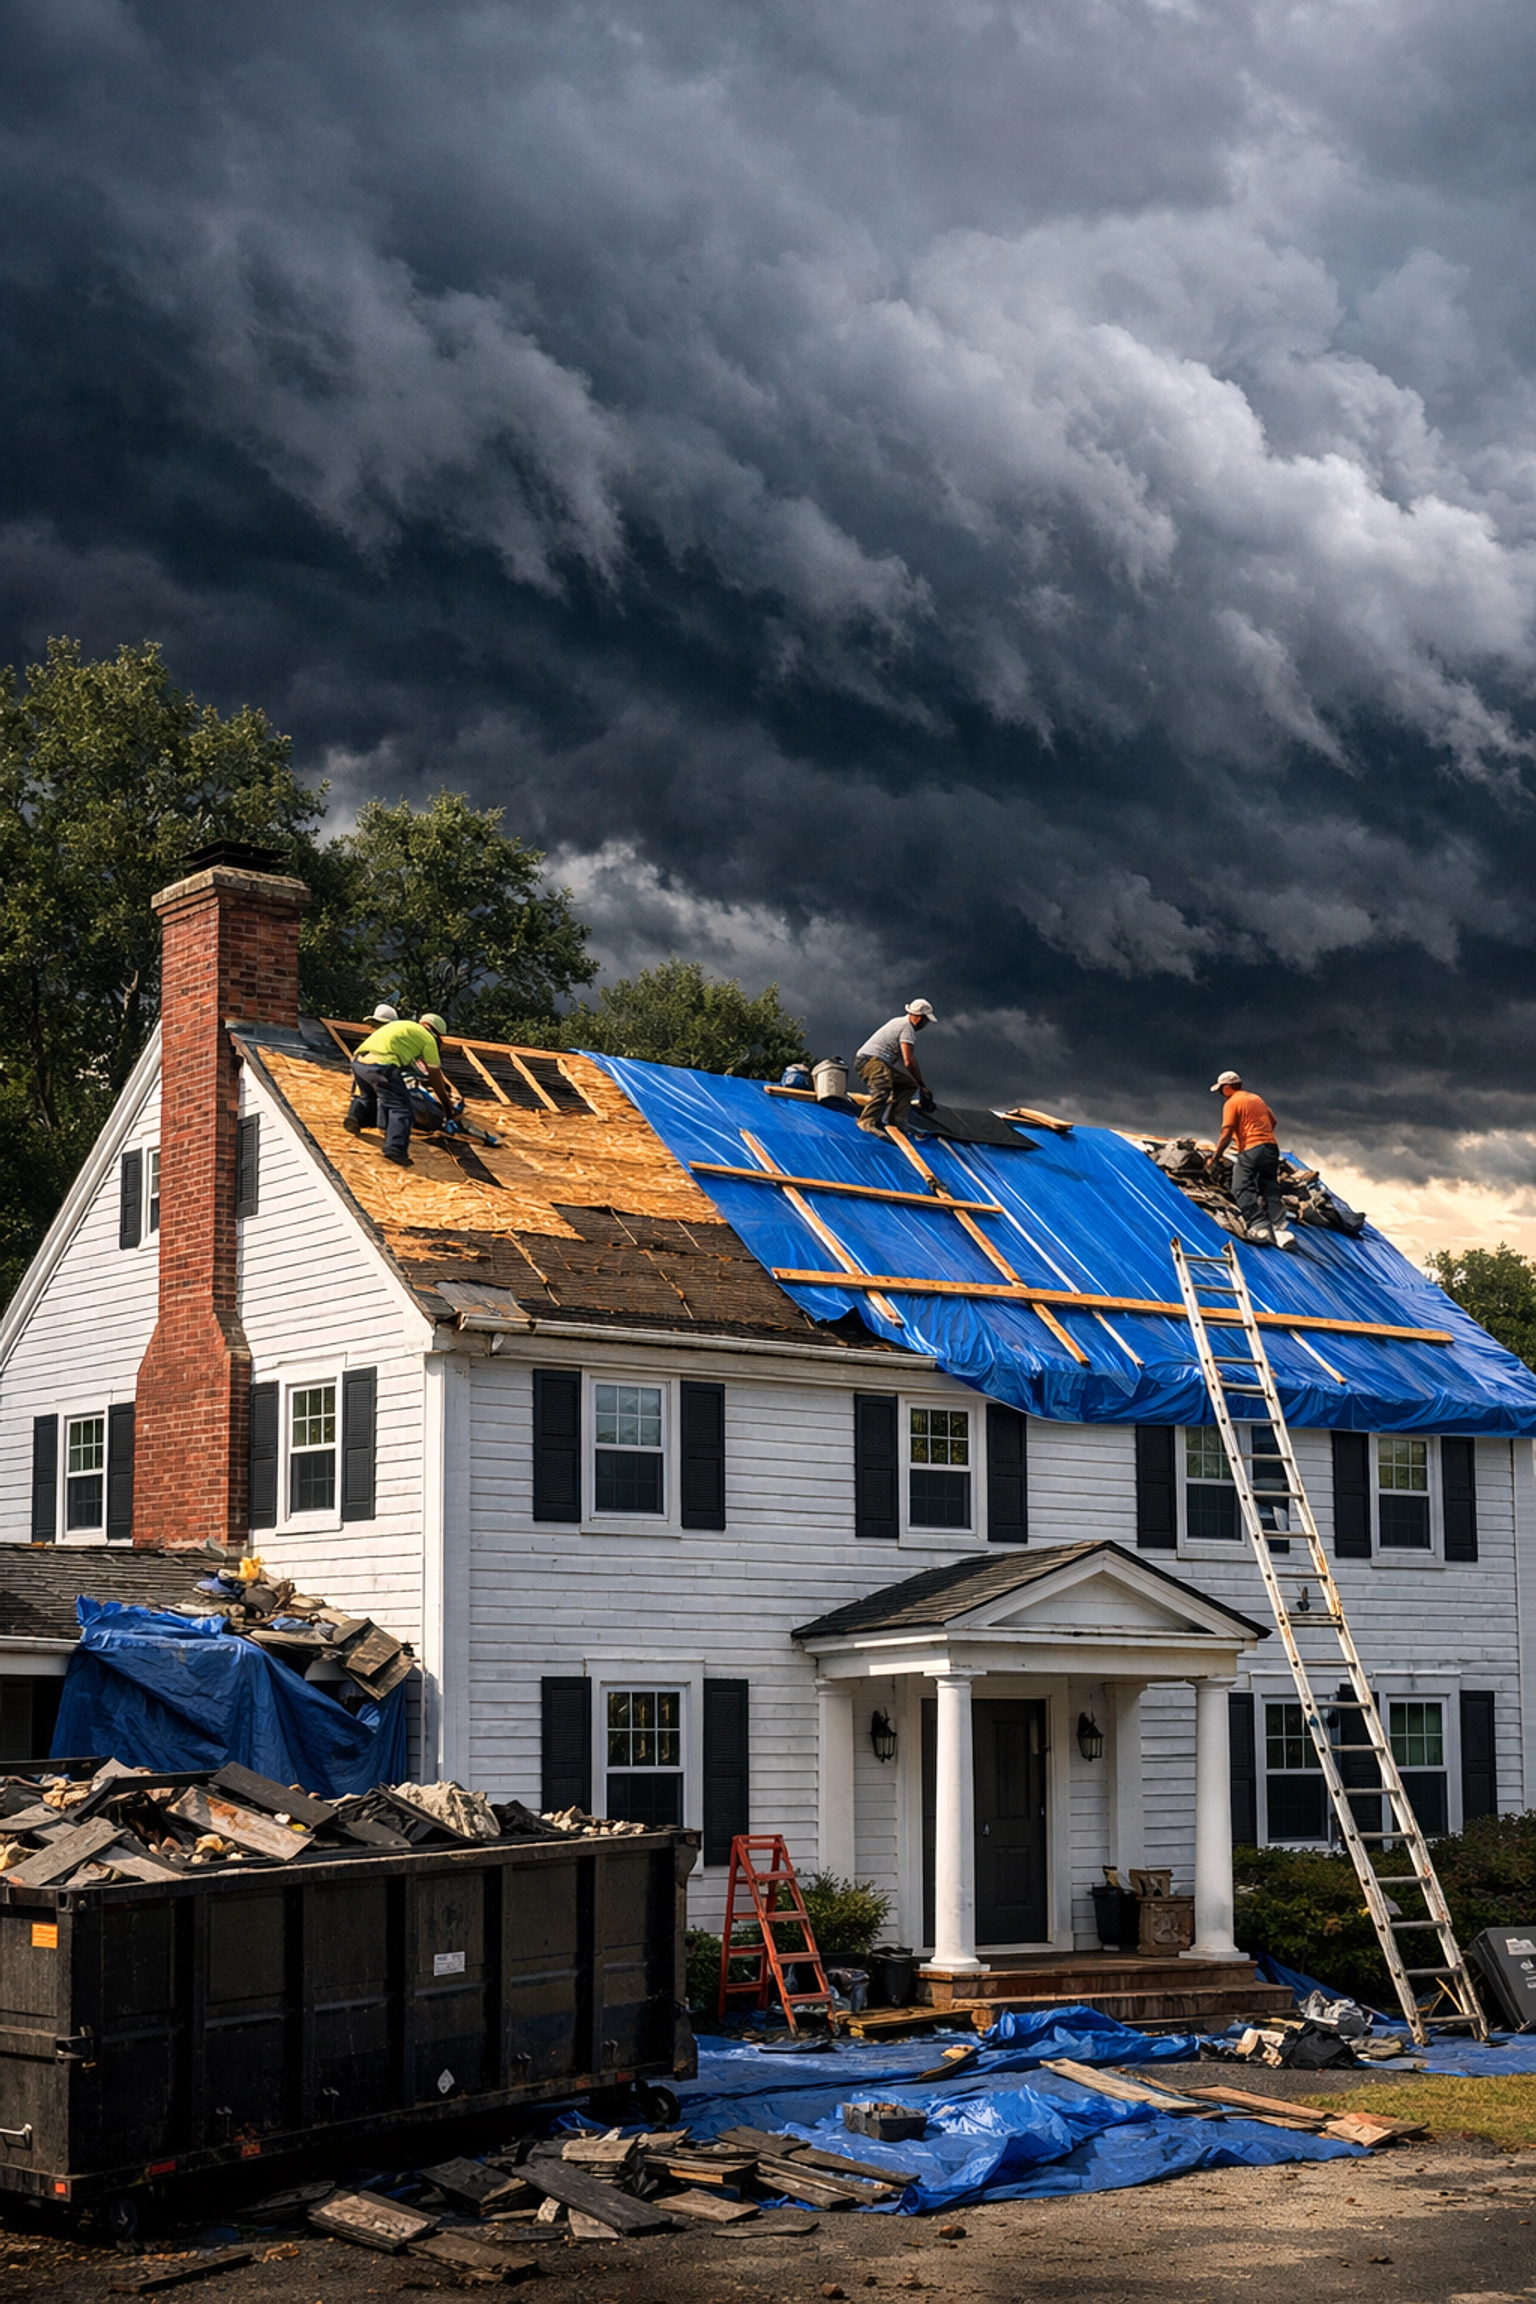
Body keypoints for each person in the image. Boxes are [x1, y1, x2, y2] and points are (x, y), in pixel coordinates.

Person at [344, 1012, 455, 1167]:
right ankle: (395, 1150)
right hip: (381, 1066)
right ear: (437, 1034)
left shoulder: (402, 1027)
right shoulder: (428, 1039)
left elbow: (404, 1061)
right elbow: (435, 1077)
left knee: (369, 1097)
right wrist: (448, 1108)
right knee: (401, 1109)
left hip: (359, 1062)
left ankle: (356, 1117)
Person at [1209, 1069, 1296, 1249]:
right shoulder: (1256, 1099)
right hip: (1271, 1147)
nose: (1220, 1094)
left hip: (1251, 1148)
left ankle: (1258, 1225)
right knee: (1269, 1186)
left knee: (1240, 1186)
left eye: (1220, 1090)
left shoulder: (1233, 1102)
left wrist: (1216, 1156)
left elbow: (1226, 1130)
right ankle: (1280, 1229)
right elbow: (1273, 1121)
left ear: (1227, 1087)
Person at [855, 999, 936, 1135]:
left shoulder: (898, 1022)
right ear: (918, 1018)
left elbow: (904, 1060)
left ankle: (897, 1120)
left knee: (908, 1084)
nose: (925, 1024)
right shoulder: (907, 1028)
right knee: (883, 1087)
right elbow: (908, 1061)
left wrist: (917, 1084)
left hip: (877, 1061)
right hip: (870, 1060)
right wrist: (922, 1085)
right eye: (925, 1020)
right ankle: (867, 1121)